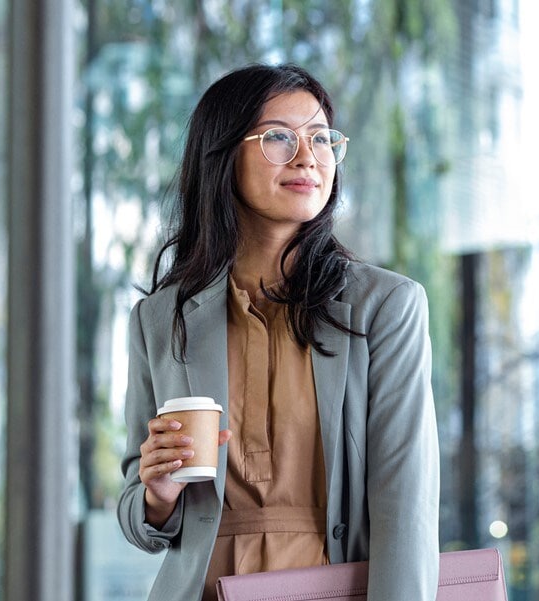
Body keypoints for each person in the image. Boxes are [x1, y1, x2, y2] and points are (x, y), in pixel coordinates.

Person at [117, 63, 440, 601]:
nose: (307, 156)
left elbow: (406, 507)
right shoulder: (160, 318)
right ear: (222, 155)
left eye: (321, 138)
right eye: (278, 138)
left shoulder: (386, 306)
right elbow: (140, 522)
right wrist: (156, 494)